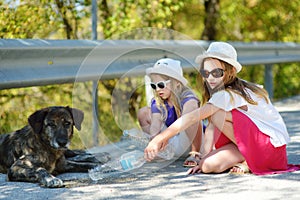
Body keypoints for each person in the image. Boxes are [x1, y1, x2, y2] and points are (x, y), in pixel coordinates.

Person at [144, 42, 300, 175]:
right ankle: (242, 157)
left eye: (216, 72)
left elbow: (192, 117)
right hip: (256, 145)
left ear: (230, 71)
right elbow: (212, 126)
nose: (211, 78)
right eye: (206, 72)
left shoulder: (229, 94)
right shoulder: (221, 93)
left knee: (216, 111)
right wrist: (203, 157)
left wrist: (159, 138)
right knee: (207, 166)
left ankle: (248, 159)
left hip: (268, 148)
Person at [137, 58, 203, 167]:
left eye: (161, 85)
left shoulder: (187, 97)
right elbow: (155, 124)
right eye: (154, 85)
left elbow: (189, 119)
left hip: (190, 142)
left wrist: (164, 136)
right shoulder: (158, 101)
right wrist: (155, 139)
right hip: (170, 144)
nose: (158, 89)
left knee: (191, 116)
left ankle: (196, 153)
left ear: (176, 83)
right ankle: (158, 151)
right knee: (143, 112)